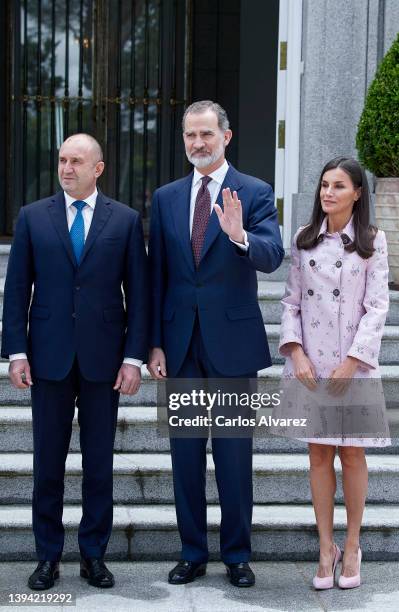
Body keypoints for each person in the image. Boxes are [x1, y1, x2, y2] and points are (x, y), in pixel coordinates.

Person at [1, 134, 149, 590]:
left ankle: (93, 555)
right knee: (48, 463)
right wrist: (17, 351)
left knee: (99, 464)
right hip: (48, 359)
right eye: (62, 159)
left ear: (98, 168)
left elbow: (139, 297)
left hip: (105, 362)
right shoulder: (32, 217)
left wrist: (133, 359)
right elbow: (17, 287)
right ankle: (47, 556)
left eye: (77, 161)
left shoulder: (124, 221)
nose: (67, 168)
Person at [148, 100, 284, 587]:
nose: (198, 143)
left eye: (206, 134)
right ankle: (191, 551)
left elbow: (272, 256)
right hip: (179, 343)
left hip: (230, 342)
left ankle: (237, 555)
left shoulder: (255, 191)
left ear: (226, 136)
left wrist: (239, 234)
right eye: (190, 136)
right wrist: (154, 344)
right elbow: (156, 275)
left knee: (232, 455)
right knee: (184, 455)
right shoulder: (165, 198)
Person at [279, 157, 390, 590]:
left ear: (358, 193)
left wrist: (354, 360)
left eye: (339, 186)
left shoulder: (372, 241)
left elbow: (378, 307)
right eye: (324, 185)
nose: (328, 193)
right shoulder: (304, 240)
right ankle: (326, 548)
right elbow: (290, 303)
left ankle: (353, 542)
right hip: (311, 365)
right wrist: (296, 353)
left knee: (353, 454)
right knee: (319, 455)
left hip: (354, 367)